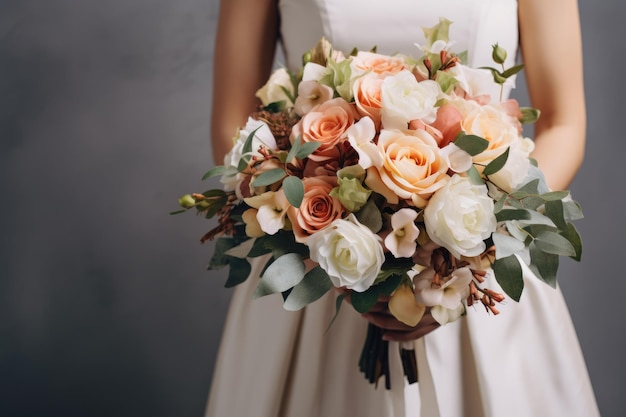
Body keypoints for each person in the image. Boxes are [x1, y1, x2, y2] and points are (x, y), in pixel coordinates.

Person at [206, 0, 600, 416]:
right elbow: (231, 124)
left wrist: (474, 246)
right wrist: (331, 248)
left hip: (478, 261)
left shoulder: (478, 252)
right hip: (314, 265)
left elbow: (563, 122)